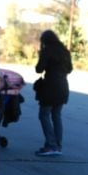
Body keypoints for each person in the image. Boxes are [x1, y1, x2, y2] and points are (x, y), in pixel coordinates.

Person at [33, 29, 73, 157]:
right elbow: (70, 69)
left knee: (44, 115)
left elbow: (39, 69)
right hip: (63, 87)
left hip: (50, 87)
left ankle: (51, 145)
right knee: (56, 115)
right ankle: (57, 146)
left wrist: (41, 56)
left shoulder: (47, 50)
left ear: (44, 41)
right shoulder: (65, 51)